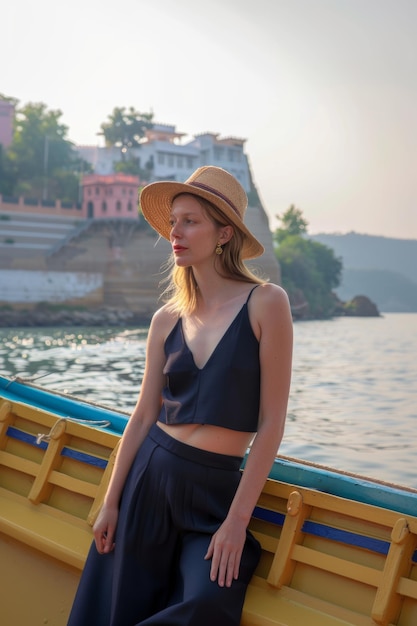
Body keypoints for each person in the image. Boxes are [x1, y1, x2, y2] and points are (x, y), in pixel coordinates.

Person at [67, 166, 293, 626]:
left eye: (191, 221)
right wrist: (111, 500)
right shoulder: (166, 319)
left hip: (214, 497)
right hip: (149, 479)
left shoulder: (267, 302)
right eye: (174, 221)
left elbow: (272, 423)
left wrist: (236, 522)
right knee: (118, 608)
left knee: (207, 602)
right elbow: (144, 413)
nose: (176, 232)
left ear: (224, 233)